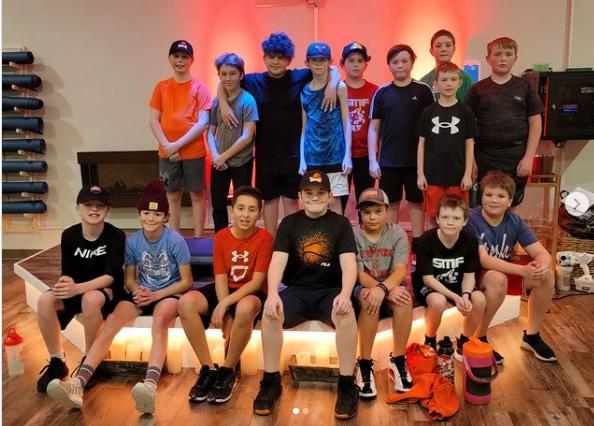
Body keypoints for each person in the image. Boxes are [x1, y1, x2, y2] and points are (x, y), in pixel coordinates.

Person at [46, 180, 193, 414]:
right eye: (146, 213)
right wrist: (136, 290)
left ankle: (150, 386)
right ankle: (78, 383)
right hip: (140, 293)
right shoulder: (133, 241)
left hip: (168, 293)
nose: (151, 218)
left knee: (159, 320)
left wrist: (156, 294)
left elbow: (186, 281)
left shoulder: (175, 240)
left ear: (166, 217)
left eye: (157, 214)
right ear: (139, 215)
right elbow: (129, 278)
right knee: (112, 321)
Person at [253, 170, 359, 419]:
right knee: (270, 314)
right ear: (300, 196)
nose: (315, 197)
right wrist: (272, 294)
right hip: (297, 291)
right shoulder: (289, 223)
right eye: (309, 192)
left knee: (346, 314)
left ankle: (346, 383)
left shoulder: (341, 224)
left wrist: (345, 294)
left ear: (330, 196)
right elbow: (278, 262)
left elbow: (349, 264)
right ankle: (271, 381)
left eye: (320, 192)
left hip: (330, 291)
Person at [217, 32, 340, 236]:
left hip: (293, 153)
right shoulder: (254, 81)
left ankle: (291, 242)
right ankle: (271, 242)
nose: (275, 61)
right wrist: (222, 104)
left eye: (281, 57)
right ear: (264, 58)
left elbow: (332, 68)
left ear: (289, 60)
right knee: (269, 201)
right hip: (265, 153)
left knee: (291, 200)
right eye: (271, 56)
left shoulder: (299, 77)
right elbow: (224, 83)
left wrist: (333, 85)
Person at [178, 186, 273, 404]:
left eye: (251, 210)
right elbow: (220, 277)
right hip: (225, 289)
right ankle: (208, 369)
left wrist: (226, 305)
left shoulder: (265, 238)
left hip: (251, 290)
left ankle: (228, 371)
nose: (245, 214)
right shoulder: (221, 236)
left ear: (259, 214)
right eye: (240, 208)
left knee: (246, 307)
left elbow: (257, 282)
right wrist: (225, 308)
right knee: (186, 303)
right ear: (232, 210)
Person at [36, 185, 125, 393]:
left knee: (90, 299)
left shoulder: (115, 235)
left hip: (104, 290)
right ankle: (57, 361)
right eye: (88, 204)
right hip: (77, 288)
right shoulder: (69, 235)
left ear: (107, 210)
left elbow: (110, 277)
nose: (94, 209)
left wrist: (77, 289)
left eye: (99, 205)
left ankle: (90, 361)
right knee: (45, 300)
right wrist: (65, 284)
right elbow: (67, 271)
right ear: (78, 208)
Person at [465, 171, 556, 364]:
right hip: (474, 274)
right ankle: (480, 338)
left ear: (509, 201)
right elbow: (484, 260)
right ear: (481, 197)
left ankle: (532, 336)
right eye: (489, 194)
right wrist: (523, 270)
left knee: (547, 275)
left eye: (500, 196)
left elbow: (543, 254)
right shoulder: (471, 219)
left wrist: (540, 267)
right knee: (497, 278)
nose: (494, 200)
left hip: (503, 271)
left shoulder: (514, 220)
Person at [464, 37, 543, 207]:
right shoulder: (477, 89)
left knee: (511, 203)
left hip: (516, 156)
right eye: (497, 54)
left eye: (508, 54)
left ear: (515, 58)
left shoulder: (525, 87)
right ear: (488, 59)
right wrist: (471, 161)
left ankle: (511, 227)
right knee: (484, 203)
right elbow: (467, 127)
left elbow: (536, 124)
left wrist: (529, 158)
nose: (503, 59)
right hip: (484, 156)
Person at [368, 44, 434, 241]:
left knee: (417, 203)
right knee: (391, 204)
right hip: (389, 161)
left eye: (405, 61)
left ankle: (419, 245)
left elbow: (432, 127)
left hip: (416, 163)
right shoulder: (382, 92)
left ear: (412, 62)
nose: (400, 65)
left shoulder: (423, 90)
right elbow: (373, 128)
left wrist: (430, 160)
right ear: (389, 65)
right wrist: (372, 160)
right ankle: (392, 244)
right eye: (395, 62)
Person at [352, 188, 413, 398]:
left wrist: (384, 289)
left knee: (404, 300)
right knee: (369, 299)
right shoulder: (354, 235)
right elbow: (358, 273)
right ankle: (364, 362)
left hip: (389, 285)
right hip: (365, 287)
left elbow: (400, 269)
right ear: (360, 214)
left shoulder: (397, 233)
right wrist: (379, 291)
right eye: (367, 212)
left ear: (387, 211)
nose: (372, 217)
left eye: (378, 211)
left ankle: (398, 359)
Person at [149, 40, 212, 236]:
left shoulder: (200, 87)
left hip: (194, 153)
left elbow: (203, 122)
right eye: (176, 56)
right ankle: (174, 237)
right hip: (167, 153)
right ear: (170, 58)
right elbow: (153, 120)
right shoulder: (161, 87)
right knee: (172, 196)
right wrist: (168, 146)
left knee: (197, 195)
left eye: (185, 57)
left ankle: (199, 237)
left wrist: (176, 145)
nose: (180, 60)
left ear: (192, 60)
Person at [412, 193, 485, 357]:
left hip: (457, 284)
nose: (450, 222)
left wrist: (465, 296)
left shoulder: (470, 241)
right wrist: (455, 297)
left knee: (479, 299)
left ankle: (464, 342)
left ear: (464, 221)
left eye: (456, 218)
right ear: (437, 219)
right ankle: (430, 339)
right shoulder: (425, 240)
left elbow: (469, 275)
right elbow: (428, 279)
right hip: (430, 284)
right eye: (445, 217)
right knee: (438, 301)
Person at [417, 61, 477, 229]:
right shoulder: (428, 112)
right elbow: (421, 145)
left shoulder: (466, 112)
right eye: (444, 80)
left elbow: (469, 144)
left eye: (453, 79)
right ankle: (432, 246)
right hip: (432, 176)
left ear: (460, 83)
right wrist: (420, 174)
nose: (449, 84)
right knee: (433, 217)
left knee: (458, 217)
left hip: (458, 177)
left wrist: (468, 174)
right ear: (436, 84)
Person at [207, 53, 258, 232]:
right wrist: (216, 155)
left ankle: (242, 237)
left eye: (232, 73)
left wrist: (224, 157)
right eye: (224, 74)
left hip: (241, 161)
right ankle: (221, 239)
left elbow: (247, 136)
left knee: (243, 204)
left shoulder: (248, 101)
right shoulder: (217, 102)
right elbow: (210, 132)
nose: (228, 78)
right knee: (218, 205)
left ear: (241, 75)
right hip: (219, 162)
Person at [299, 41, 352, 214]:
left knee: (335, 202)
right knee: (313, 202)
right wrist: (302, 159)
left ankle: (337, 233)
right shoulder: (304, 91)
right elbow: (304, 128)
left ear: (330, 62)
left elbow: (347, 123)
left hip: (335, 154)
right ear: (307, 63)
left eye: (322, 60)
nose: (318, 64)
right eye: (314, 60)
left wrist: (347, 156)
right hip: (312, 156)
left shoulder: (340, 87)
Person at [340, 42, 378, 213]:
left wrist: (374, 159)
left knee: (366, 202)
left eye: (360, 60)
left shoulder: (375, 91)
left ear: (366, 64)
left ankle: (366, 229)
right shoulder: (337, 89)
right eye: (351, 60)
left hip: (366, 155)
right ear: (342, 64)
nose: (356, 64)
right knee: (338, 200)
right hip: (341, 155)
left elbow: (377, 126)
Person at [420, 29, 474, 101]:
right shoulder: (424, 82)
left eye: (448, 45)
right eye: (438, 46)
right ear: (431, 51)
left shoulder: (466, 79)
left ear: (454, 49)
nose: (443, 49)